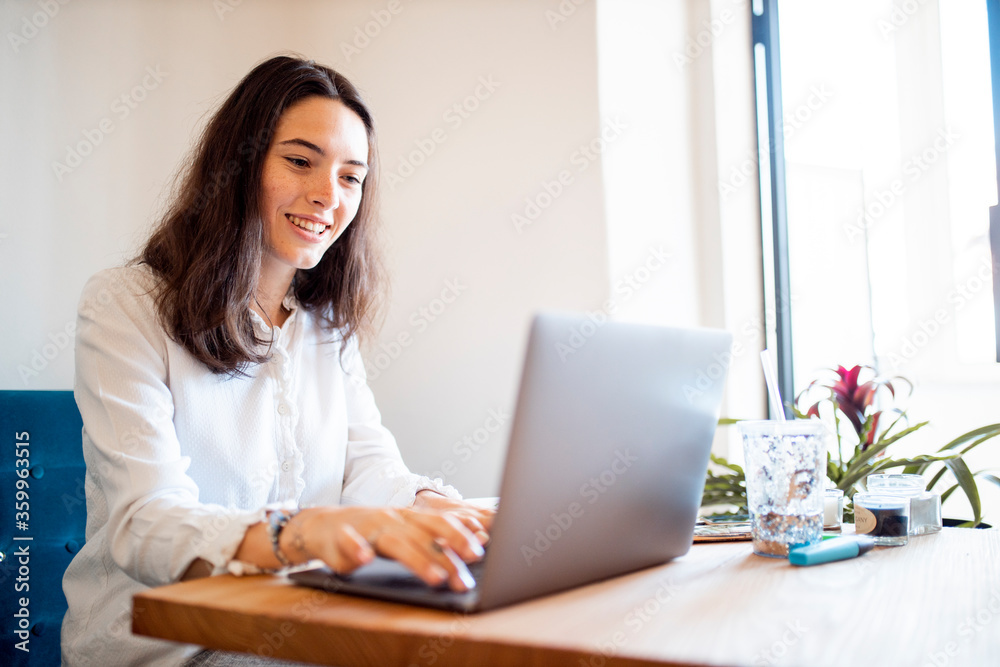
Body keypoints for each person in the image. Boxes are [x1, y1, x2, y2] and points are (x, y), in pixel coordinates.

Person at [61, 55, 493, 667]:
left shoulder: (325, 322)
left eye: (352, 177)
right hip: (168, 653)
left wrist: (444, 514)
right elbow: (145, 520)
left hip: (298, 641)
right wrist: (298, 532)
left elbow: (368, 469)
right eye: (299, 161)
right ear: (237, 166)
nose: (327, 196)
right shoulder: (126, 304)